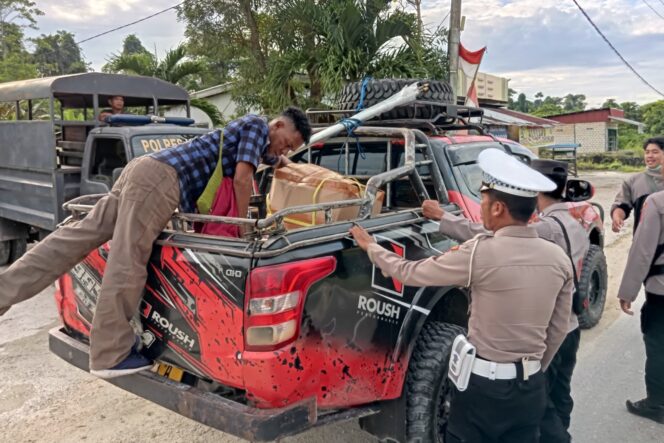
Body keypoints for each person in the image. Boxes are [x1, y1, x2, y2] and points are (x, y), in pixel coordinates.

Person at [0, 107, 312, 379]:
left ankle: (4, 290)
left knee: (75, 237)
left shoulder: (255, 134)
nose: (283, 151)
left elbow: (268, 160)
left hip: (144, 169)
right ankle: (111, 353)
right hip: (161, 181)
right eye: (286, 143)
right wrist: (245, 230)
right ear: (279, 125)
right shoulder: (258, 126)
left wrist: (284, 163)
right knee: (129, 258)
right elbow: (243, 179)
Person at [350, 148, 574, 443]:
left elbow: (410, 272)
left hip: (483, 389)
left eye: (483, 201)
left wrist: (371, 247)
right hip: (530, 388)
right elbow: (558, 330)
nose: (480, 207)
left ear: (498, 209)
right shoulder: (558, 258)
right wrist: (530, 371)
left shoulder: (479, 253)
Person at [422, 159, 588, 443]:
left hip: (545, 335)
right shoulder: (574, 222)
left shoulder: (544, 230)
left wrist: (443, 217)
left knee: (540, 412)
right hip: (567, 328)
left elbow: (486, 236)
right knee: (559, 397)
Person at [618, 165, 664, 424]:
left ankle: (656, 403)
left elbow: (643, 251)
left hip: (660, 289)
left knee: (659, 346)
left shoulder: (657, 202)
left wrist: (628, 291)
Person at [611, 137, 664, 233]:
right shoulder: (633, 181)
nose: (650, 156)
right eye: (647, 152)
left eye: (655, 152)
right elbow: (622, 205)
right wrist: (617, 217)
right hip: (645, 241)